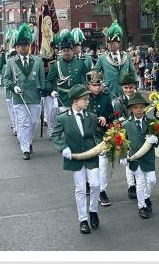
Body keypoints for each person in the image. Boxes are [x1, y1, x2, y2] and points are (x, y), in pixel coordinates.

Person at [50, 84, 102, 234]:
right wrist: (63, 147)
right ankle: (83, 220)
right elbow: (55, 135)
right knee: (80, 189)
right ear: (75, 101)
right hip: (74, 157)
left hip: (91, 155)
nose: (87, 101)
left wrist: (100, 146)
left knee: (96, 184)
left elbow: (97, 135)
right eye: (85, 99)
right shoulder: (63, 118)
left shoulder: (91, 116)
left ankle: (93, 210)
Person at [3, 24, 45, 160]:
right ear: (16, 47)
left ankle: (28, 140)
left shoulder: (38, 61)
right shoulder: (11, 62)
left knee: (33, 123)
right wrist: (13, 87)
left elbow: (41, 79)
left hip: (34, 97)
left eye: (25, 45)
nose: (22, 47)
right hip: (19, 98)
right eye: (20, 45)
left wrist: (43, 95)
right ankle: (25, 148)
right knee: (23, 123)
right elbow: (6, 79)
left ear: (29, 46)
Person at [120, 93, 159, 219]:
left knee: (152, 180)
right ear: (131, 109)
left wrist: (156, 139)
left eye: (141, 107)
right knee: (140, 182)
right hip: (135, 158)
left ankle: (146, 196)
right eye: (136, 107)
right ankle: (141, 206)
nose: (139, 110)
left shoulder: (151, 123)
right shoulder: (126, 124)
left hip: (148, 158)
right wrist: (122, 157)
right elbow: (122, 142)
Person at [46, 31, 89, 138]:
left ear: (72, 51)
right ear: (61, 52)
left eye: (68, 50)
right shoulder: (56, 65)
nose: (66, 53)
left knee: (78, 119)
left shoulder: (80, 63)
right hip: (62, 98)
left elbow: (88, 78)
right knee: (67, 121)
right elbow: (48, 81)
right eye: (64, 51)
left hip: (78, 98)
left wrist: (84, 87)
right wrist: (52, 91)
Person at [86, 71, 116, 206]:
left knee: (103, 164)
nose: (97, 87)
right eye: (94, 85)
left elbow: (112, 114)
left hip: (102, 135)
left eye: (98, 85)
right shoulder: (84, 98)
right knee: (90, 163)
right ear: (88, 86)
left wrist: (106, 118)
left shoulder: (106, 97)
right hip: (87, 136)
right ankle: (89, 182)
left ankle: (102, 191)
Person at [112, 73, 140, 198]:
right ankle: (131, 185)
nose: (129, 90)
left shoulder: (138, 99)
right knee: (129, 160)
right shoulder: (119, 102)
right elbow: (117, 120)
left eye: (131, 87)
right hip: (126, 134)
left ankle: (139, 181)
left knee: (138, 157)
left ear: (135, 87)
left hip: (138, 133)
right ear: (122, 88)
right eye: (126, 88)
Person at [94, 21, 137, 98]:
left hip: (126, 92)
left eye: (113, 43)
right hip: (109, 92)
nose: (110, 45)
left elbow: (133, 72)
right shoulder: (102, 58)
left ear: (119, 44)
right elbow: (95, 73)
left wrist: (135, 86)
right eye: (109, 43)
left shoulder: (127, 56)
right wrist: (98, 87)